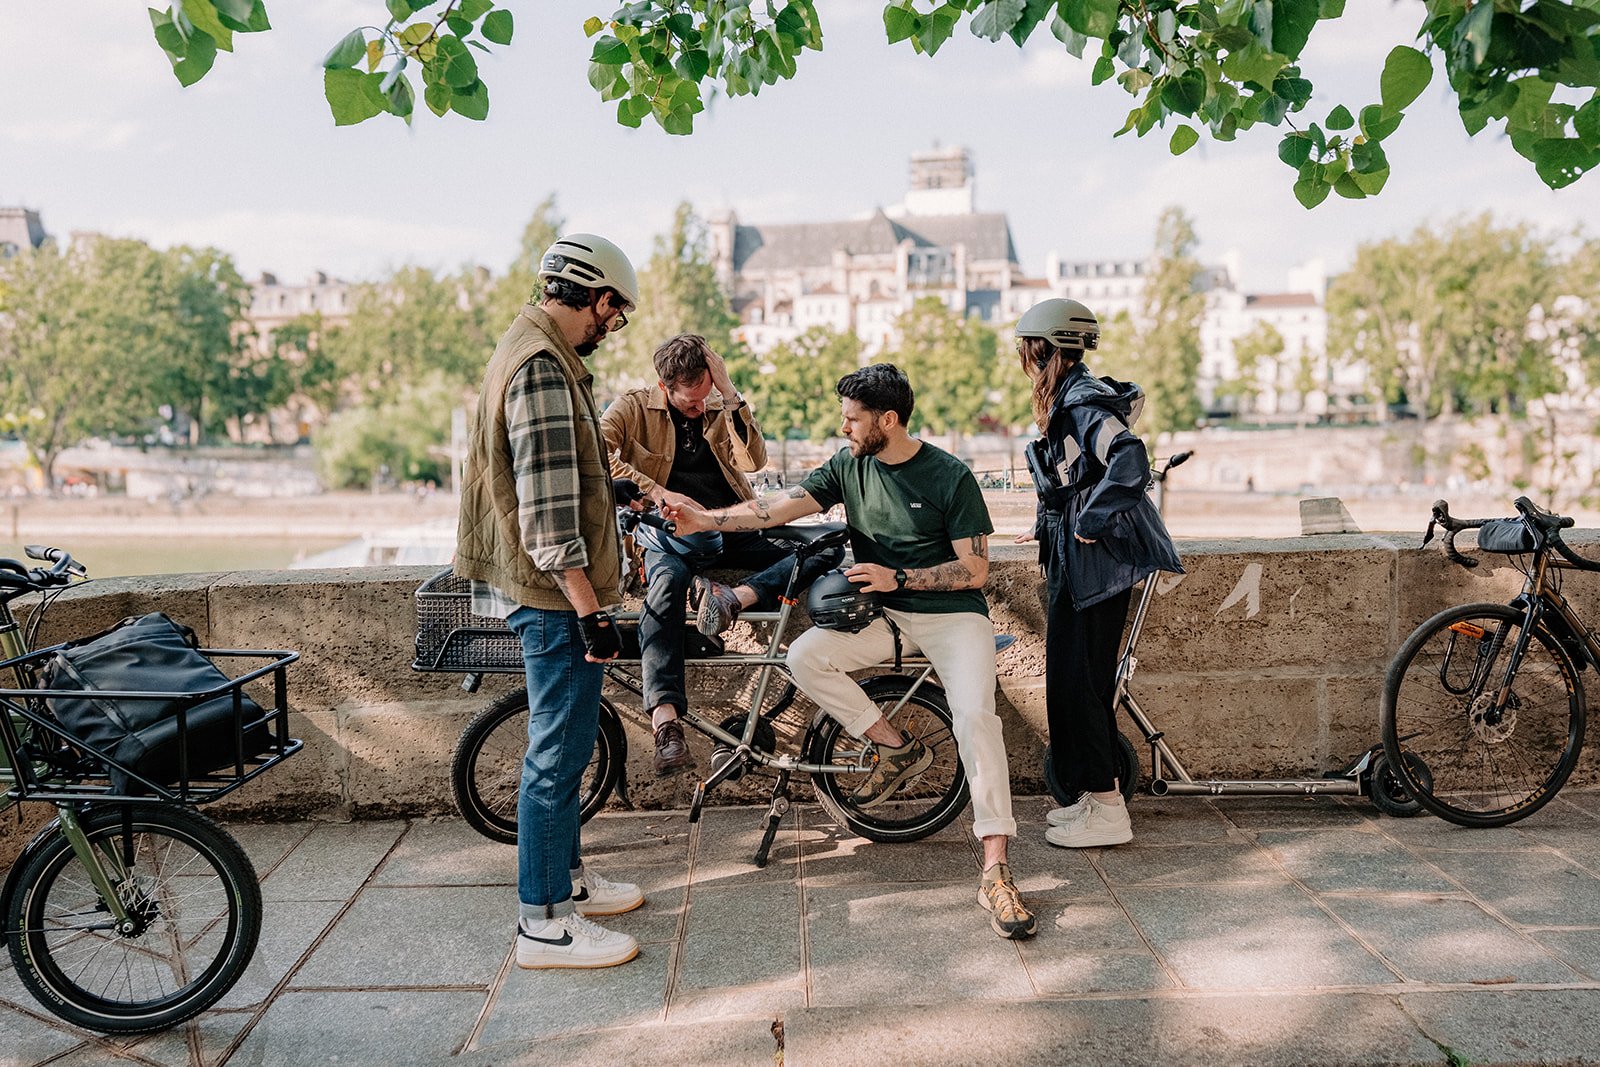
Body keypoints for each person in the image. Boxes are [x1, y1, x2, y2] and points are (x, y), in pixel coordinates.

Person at [665, 363, 1037, 941]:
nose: (844, 427)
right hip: (884, 614)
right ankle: (894, 747)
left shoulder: (949, 475)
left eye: (853, 418)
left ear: (888, 420)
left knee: (974, 719)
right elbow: (778, 507)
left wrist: (900, 578)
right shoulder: (849, 465)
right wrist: (704, 519)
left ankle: (996, 869)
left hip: (951, 616)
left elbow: (976, 569)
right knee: (806, 654)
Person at [454, 233, 646, 969]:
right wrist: (590, 609)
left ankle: (567, 881)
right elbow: (546, 516)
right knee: (556, 757)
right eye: (614, 313)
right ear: (595, 297)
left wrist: (614, 488)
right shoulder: (541, 368)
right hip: (557, 594)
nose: (611, 326)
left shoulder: (530, 347)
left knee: (565, 747)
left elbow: (557, 472)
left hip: (546, 586)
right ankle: (544, 922)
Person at [600, 333, 841, 776]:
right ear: (664, 384)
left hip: (729, 525)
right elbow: (595, 453)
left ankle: (736, 596)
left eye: (706, 396)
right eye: (691, 401)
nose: (699, 407)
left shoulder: (719, 403)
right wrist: (656, 492)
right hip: (669, 534)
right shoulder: (632, 407)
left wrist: (729, 395)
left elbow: (754, 463)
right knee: (665, 589)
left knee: (824, 546)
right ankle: (666, 724)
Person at [1014, 298, 1183, 849]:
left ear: (1044, 349)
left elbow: (1129, 460)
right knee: (1073, 682)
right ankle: (1093, 797)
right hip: (1080, 562)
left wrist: (1089, 519)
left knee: (1083, 684)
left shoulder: (1084, 403)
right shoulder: (1072, 398)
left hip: (1096, 568)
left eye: (1025, 348)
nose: (1020, 358)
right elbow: (1072, 477)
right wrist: (1049, 526)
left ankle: (1109, 810)